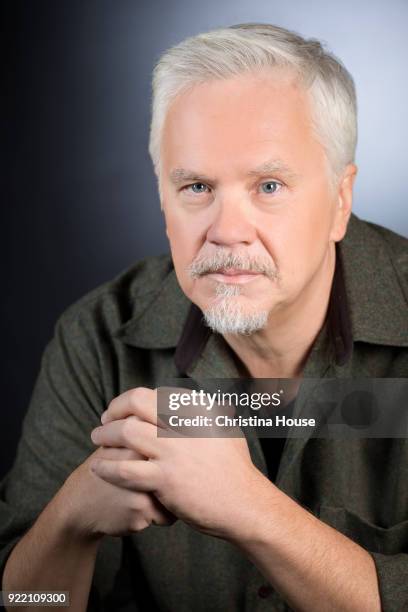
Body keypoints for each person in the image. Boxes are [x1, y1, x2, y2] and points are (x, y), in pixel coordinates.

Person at [1, 22, 407, 612]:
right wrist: (71, 519)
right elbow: (29, 604)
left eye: (269, 185)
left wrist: (250, 510)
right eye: (195, 187)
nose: (226, 230)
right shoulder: (95, 339)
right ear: (162, 197)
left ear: (340, 201)